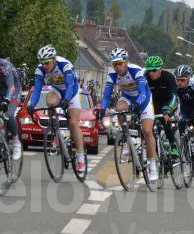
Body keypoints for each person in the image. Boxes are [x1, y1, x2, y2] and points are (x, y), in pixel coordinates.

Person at [99, 48, 157, 181]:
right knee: (119, 108)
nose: (117, 66)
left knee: (147, 131)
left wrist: (137, 105)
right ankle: (126, 138)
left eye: (120, 63)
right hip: (127, 98)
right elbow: (106, 95)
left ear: (126, 62)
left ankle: (152, 165)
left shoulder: (136, 71)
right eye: (115, 64)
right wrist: (102, 109)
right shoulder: (112, 75)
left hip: (144, 100)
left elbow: (142, 92)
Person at [26, 44, 85, 172]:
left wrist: (67, 100)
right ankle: (56, 132)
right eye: (42, 63)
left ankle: (80, 158)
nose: (44, 66)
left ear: (53, 59)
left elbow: (70, 85)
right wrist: (31, 104)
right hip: (57, 90)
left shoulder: (65, 65)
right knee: (50, 101)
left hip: (72, 92)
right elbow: (36, 90)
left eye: (47, 63)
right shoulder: (40, 70)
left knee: (74, 123)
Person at [144, 55, 179, 157]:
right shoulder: (145, 77)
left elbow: (174, 96)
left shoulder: (169, 77)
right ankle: (155, 152)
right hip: (153, 104)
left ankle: (173, 146)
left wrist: (169, 110)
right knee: (151, 127)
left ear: (160, 69)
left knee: (164, 119)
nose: (151, 73)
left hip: (168, 102)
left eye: (154, 70)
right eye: (149, 70)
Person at [174, 64, 194, 158]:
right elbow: (176, 103)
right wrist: (177, 115)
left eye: (182, 80)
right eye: (177, 80)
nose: (179, 82)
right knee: (180, 122)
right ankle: (184, 142)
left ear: (188, 79)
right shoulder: (175, 86)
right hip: (183, 107)